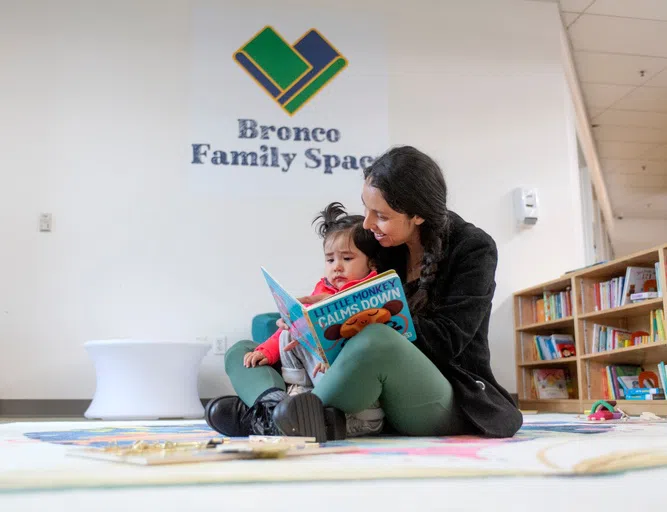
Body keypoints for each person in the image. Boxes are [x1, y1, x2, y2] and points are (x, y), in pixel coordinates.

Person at [206, 145, 523, 442]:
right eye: (367, 209)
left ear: (418, 215)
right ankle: (276, 412)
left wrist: (360, 315)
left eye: (382, 216)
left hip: (440, 394)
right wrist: (317, 315)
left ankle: (272, 420)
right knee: (244, 350)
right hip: (363, 393)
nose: (368, 223)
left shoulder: (473, 248)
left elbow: (447, 341)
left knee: (376, 339)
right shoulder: (381, 244)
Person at [205, 202, 386, 438]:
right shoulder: (320, 290)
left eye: (347, 258)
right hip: (307, 385)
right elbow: (289, 330)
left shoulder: (375, 293)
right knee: (247, 351)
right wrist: (268, 351)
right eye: (330, 260)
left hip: (350, 398)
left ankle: (264, 418)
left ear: (371, 263)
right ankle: (276, 410)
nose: (337, 267)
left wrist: (335, 355)